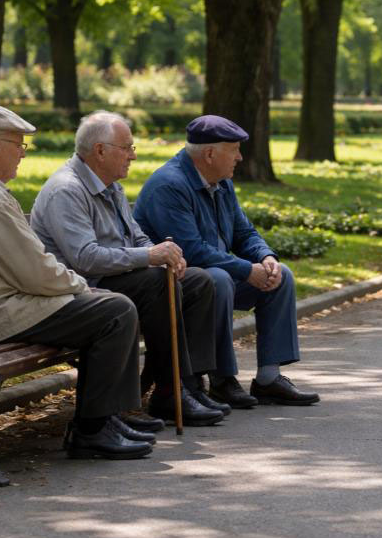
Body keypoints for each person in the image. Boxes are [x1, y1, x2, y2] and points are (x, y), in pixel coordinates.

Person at [0, 104, 153, 460]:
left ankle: (107, 419)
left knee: (109, 307)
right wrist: (82, 286)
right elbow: (36, 270)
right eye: (18, 143)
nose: (23, 152)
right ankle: (92, 429)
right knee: (114, 310)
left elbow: (26, 267)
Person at [31, 111, 225, 427]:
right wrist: (149, 256)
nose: (133, 155)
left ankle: (186, 384)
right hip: (82, 289)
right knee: (156, 283)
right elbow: (85, 259)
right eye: (127, 147)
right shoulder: (67, 189)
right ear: (100, 151)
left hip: (116, 279)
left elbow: (136, 235)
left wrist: (164, 255)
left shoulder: (111, 186)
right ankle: (167, 390)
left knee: (198, 281)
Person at [135, 115, 319, 409]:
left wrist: (265, 257)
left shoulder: (220, 183)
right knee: (218, 279)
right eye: (234, 149)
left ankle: (269, 379)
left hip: (214, 274)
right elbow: (192, 251)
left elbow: (244, 232)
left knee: (280, 275)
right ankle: (222, 379)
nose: (240, 157)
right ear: (209, 154)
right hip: (177, 283)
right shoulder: (169, 185)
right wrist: (247, 270)